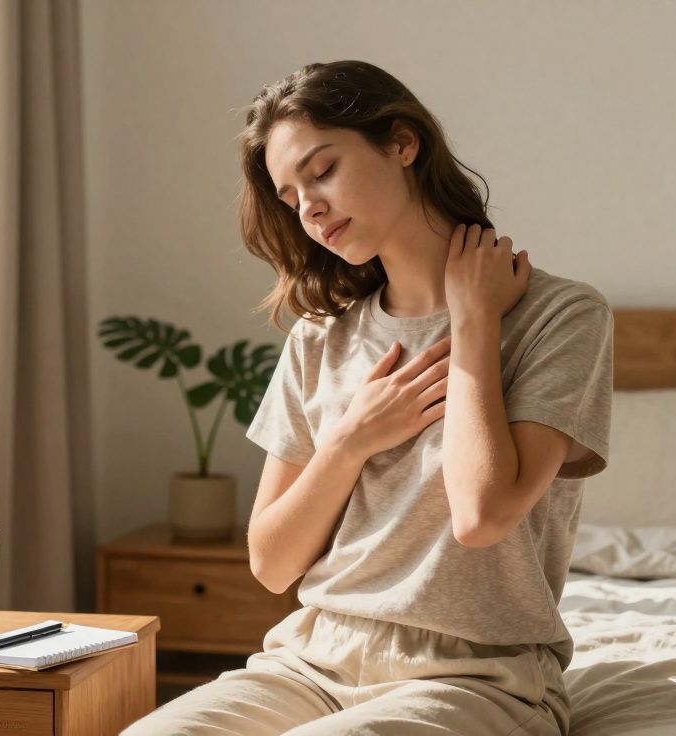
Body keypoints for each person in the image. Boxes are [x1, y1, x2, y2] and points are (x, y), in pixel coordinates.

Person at [122, 59, 612, 736]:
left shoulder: (561, 316)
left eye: (322, 170)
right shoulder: (319, 341)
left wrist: (473, 323)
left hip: (477, 675)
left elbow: (483, 514)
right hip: (309, 663)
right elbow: (270, 564)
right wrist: (350, 439)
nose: (310, 208)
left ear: (402, 143)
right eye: (291, 197)